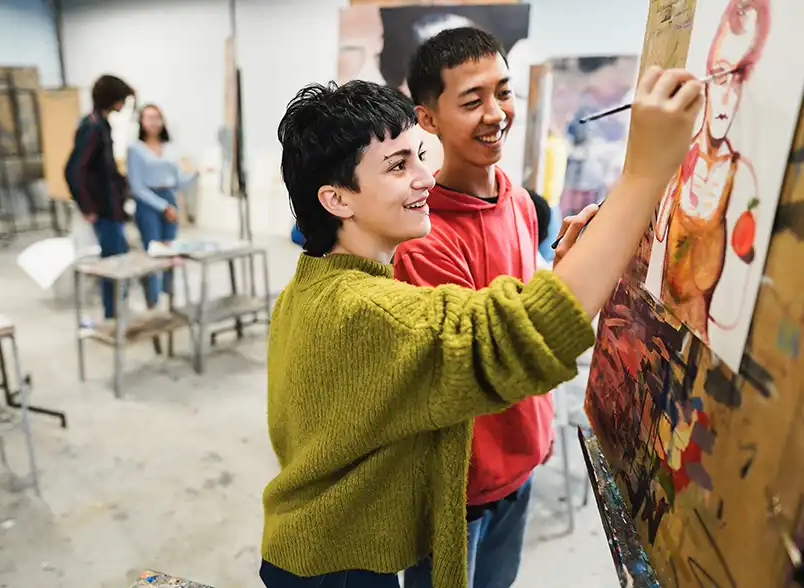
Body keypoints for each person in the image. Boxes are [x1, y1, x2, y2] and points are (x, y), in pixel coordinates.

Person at [260, 66, 700, 588]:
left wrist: (560, 278)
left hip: (319, 549)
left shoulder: (314, 286)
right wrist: (645, 173)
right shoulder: (367, 310)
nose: (425, 178)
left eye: (418, 155)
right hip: (335, 567)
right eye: (397, 166)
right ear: (337, 199)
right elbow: (521, 335)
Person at [394, 27, 546, 587]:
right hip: (461, 487)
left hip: (523, 461)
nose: (496, 113)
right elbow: (484, 361)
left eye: (503, 92)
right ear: (428, 118)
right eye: (471, 100)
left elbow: (522, 300)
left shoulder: (519, 200)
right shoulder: (423, 236)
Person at [65, 74, 137, 321]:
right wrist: (88, 207)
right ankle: (114, 316)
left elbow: (104, 169)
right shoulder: (92, 127)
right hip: (104, 211)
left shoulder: (102, 125)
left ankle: (118, 312)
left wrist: (122, 184)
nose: (123, 105)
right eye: (122, 99)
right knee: (113, 266)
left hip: (112, 208)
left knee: (120, 261)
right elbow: (74, 170)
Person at [127, 104, 186, 305]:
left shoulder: (169, 148)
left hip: (169, 197)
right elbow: (137, 186)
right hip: (148, 203)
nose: (154, 122)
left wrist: (198, 172)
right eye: (149, 118)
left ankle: (169, 299)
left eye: (157, 117)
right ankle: (152, 301)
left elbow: (178, 180)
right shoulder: (135, 149)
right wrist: (163, 207)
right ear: (142, 122)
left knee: (171, 252)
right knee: (152, 252)